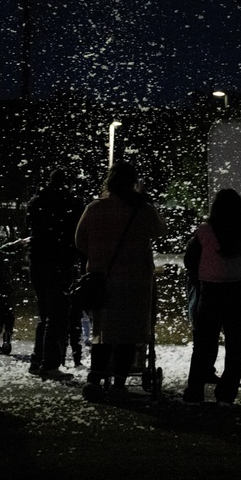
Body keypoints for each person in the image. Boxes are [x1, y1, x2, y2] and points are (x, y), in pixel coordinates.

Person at [76, 161, 165, 400]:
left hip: (102, 279)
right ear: (133, 182)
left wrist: (98, 253)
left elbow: (79, 241)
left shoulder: (95, 208)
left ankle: (95, 379)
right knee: (129, 332)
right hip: (136, 279)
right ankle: (119, 383)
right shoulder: (143, 209)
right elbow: (159, 232)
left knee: (103, 331)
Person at [183, 188, 241, 405]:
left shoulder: (204, 232)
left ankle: (194, 392)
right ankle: (226, 395)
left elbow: (189, 261)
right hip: (238, 293)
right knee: (235, 346)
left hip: (210, 293)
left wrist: (204, 272)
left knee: (203, 346)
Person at [26, 169, 84, 379]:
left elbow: (31, 228)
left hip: (38, 261)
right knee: (58, 314)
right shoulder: (71, 203)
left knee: (44, 313)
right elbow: (78, 235)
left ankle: (37, 358)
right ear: (67, 184)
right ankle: (49, 364)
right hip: (60, 262)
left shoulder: (36, 201)